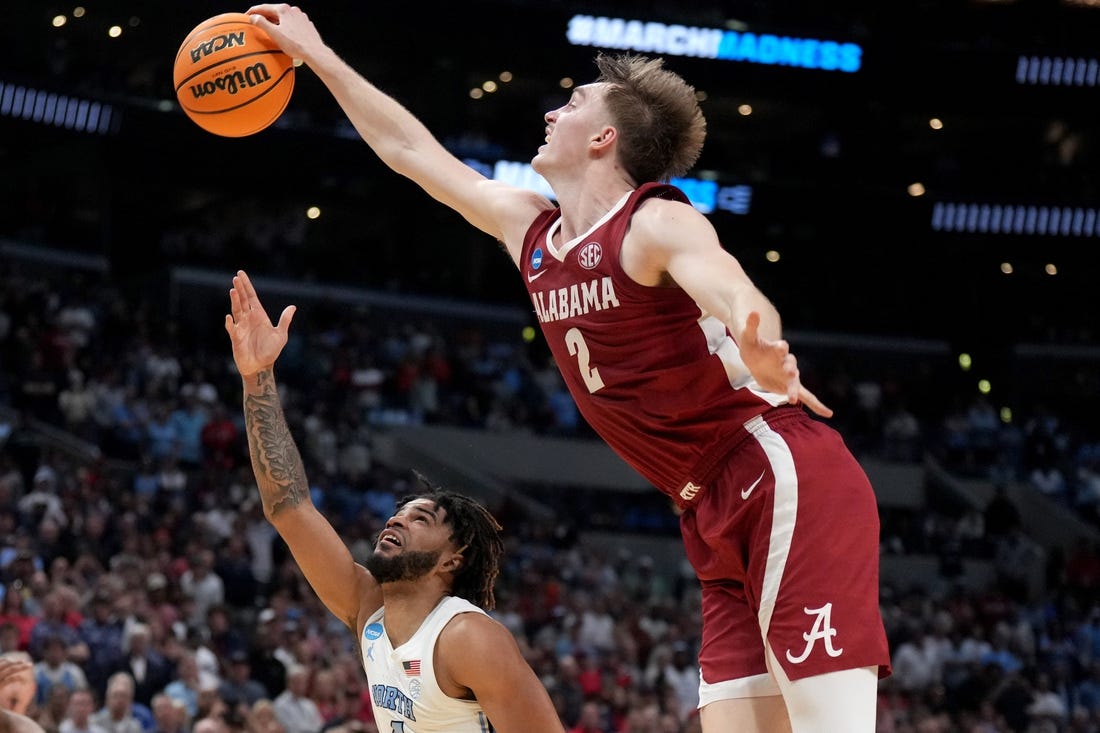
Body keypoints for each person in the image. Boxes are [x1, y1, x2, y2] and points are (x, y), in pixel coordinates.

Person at [246, 6, 891, 731]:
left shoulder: (650, 222)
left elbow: (725, 279)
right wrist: (319, 56)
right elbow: (408, 150)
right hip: (704, 506)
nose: (554, 109)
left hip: (776, 469)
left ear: (605, 138)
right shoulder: (532, 228)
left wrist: (757, 335)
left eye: (576, 102)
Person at [223, 270, 564, 733]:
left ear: (453, 559)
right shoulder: (369, 611)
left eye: (420, 518)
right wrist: (257, 376)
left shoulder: (467, 638)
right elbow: (289, 506)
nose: (395, 521)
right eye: (399, 512)